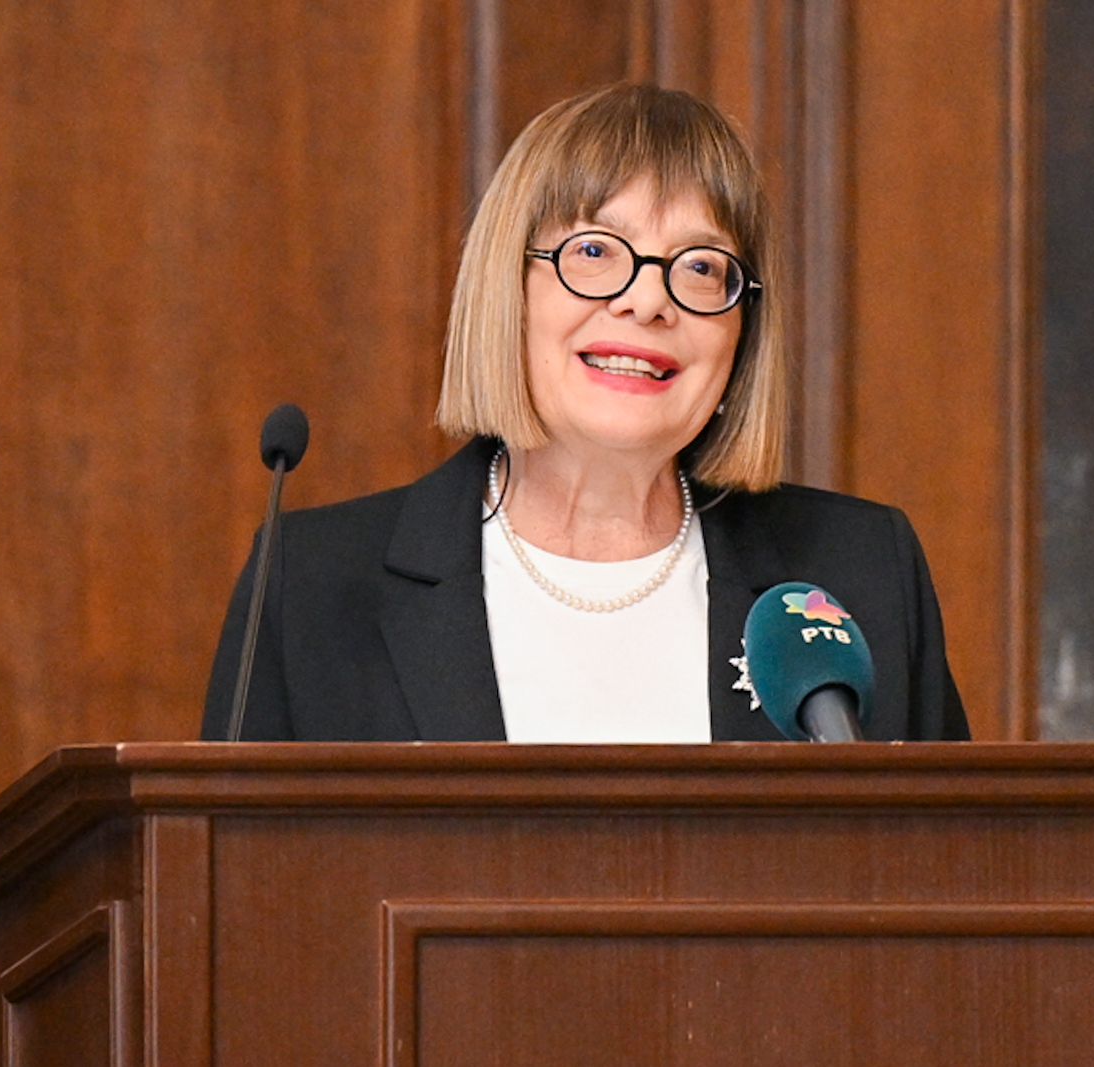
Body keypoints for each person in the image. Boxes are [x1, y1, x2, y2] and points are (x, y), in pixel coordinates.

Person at [201, 83, 969, 743]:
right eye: (596, 251)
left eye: (702, 267)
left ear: (743, 330)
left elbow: (948, 862)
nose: (648, 300)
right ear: (510, 291)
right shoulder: (310, 587)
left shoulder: (860, 572)